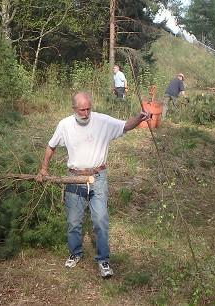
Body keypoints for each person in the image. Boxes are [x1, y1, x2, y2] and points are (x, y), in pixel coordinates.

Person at [36, 92, 150, 279]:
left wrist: (139, 117)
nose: (86, 113)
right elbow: (51, 146)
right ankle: (75, 253)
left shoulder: (101, 121)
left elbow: (125, 126)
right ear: (74, 109)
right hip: (74, 178)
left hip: (98, 177)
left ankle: (103, 260)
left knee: (100, 220)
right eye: (82, 110)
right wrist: (43, 169)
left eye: (89, 108)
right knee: (73, 221)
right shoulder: (65, 125)